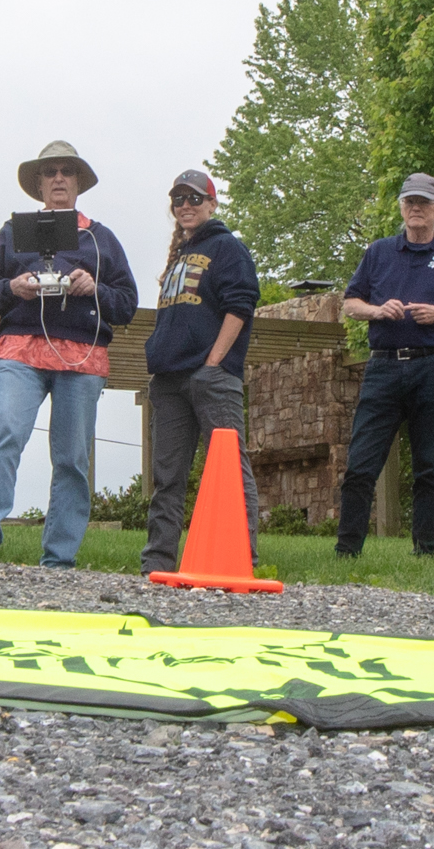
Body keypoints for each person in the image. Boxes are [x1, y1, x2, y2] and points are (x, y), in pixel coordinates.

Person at [0, 139, 137, 567]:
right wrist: (12, 287)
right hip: (20, 348)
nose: (58, 178)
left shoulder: (101, 238)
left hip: (82, 356)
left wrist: (96, 288)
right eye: (50, 172)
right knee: (4, 434)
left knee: (72, 456)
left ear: (78, 183)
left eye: (66, 172)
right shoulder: (14, 232)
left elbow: (127, 302)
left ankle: (59, 557)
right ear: (38, 184)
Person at [335, 173, 434, 557]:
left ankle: (426, 553)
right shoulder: (379, 252)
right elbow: (350, 303)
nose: (415, 209)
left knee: (429, 467)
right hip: (383, 367)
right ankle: (346, 550)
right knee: (361, 464)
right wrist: (375, 310)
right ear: (401, 208)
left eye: (423, 203)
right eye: (409, 203)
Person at [139, 168, 260, 575]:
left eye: (194, 199)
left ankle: (240, 560)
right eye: (179, 199)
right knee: (166, 477)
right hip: (169, 380)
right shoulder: (177, 256)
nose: (186, 206)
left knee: (227, 468)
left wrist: (213, 363)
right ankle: (157, 563)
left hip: (212, 378)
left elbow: (240, 306)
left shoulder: (227, 247)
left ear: (212, 203)